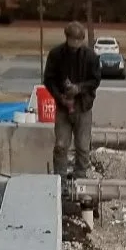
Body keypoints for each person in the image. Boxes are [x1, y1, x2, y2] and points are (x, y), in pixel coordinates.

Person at [41, 22, 101, 180]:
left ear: (82, 40)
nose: (75, 45)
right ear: (66, 38)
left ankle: (80, 177)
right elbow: (48, 79)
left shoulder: (90, 57)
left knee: (82, 146)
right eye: (72, 41)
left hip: (83, 107)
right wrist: (60, 97)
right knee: (61, 145)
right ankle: (59, 179)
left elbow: (95, 80)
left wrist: (79, 89)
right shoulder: (56, 55)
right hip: (63, 107)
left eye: (78, 41)